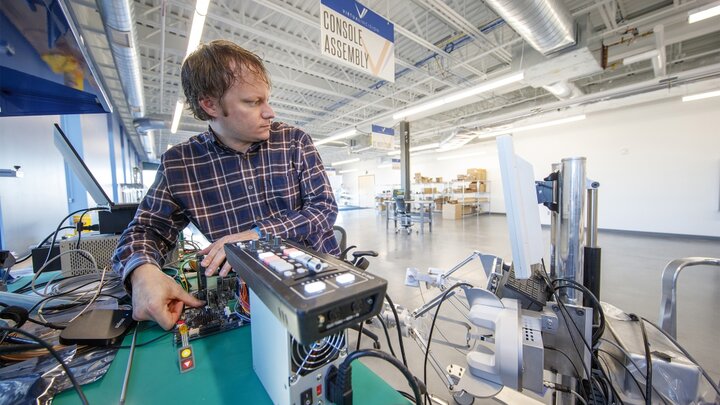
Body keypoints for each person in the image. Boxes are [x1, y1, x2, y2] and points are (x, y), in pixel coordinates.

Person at [111, 39, 340, 330]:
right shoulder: (181, 165)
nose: (270, 112)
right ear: (210, 105)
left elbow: (324, 208)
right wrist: (142, 272)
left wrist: (255, 236)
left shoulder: (294, 142)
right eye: (253, 102)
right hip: (252, 299)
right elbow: (145, 230)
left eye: (266, 99)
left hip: (319, 284)